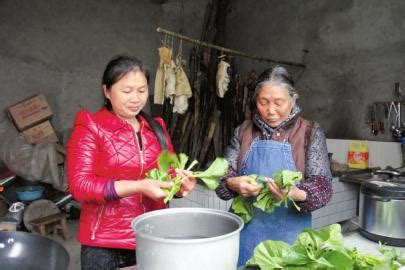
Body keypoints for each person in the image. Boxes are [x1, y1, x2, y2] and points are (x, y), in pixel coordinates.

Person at [67, 55, 196, 270]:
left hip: (153, 236)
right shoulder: (90, 127)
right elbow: (80, 186)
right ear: (107, 91)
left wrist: (180, 186)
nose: (135, 98)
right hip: (106, 244)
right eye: (126, 91)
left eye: (142, 90)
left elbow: (170, 173)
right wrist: (139, 187)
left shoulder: (156, 128)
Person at [215, 66, 333, 266]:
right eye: (263, 102)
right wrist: (232, 183)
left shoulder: (309, 132)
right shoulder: (243, 131)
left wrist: (294, 193)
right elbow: (221, 179)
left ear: (294, 99)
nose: (270, 110)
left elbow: (323, 187)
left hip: (289, 239)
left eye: (279, 102)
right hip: (245, 236)